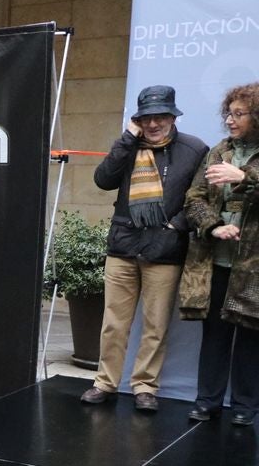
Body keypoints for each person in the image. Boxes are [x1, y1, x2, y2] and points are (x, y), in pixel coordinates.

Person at [80, 85, 207, 412]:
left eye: (160, 116)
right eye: (146, 118)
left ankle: (145, 386)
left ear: (173, 116)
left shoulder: (194, 150)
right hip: (123, 247)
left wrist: (176, 225)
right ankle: (104, 383)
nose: (153, 124)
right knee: (113, 323)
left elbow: (201, 197)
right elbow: (103, 179)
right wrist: (127, 138)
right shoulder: (128, 146)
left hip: (164, 251)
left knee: (155, 325)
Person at [179, 82, 259, 426]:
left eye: (239, 114)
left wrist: (243, 177)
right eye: (229, 112)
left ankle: (245, 407)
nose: (230, 119)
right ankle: (207, 401)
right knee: (214, 335)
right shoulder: (218, 152)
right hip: (217, 261)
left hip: (254, 267)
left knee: (251, 337)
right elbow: (192, 199)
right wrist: (213, 226)